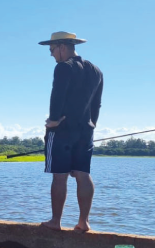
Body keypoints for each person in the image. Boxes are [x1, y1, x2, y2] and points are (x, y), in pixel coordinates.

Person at [38, 31, 104, 232]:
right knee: (83, 174)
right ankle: (84, 223)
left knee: (60, 176)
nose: (51, 54)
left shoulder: (63, 68)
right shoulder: (96, 71)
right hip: (86, 130)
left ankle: (55, 222)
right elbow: (97, 104)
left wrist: (53, 121)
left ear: (62, 47)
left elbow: (57, 96)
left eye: (51, 50)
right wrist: (91, 124)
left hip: (62, 131)